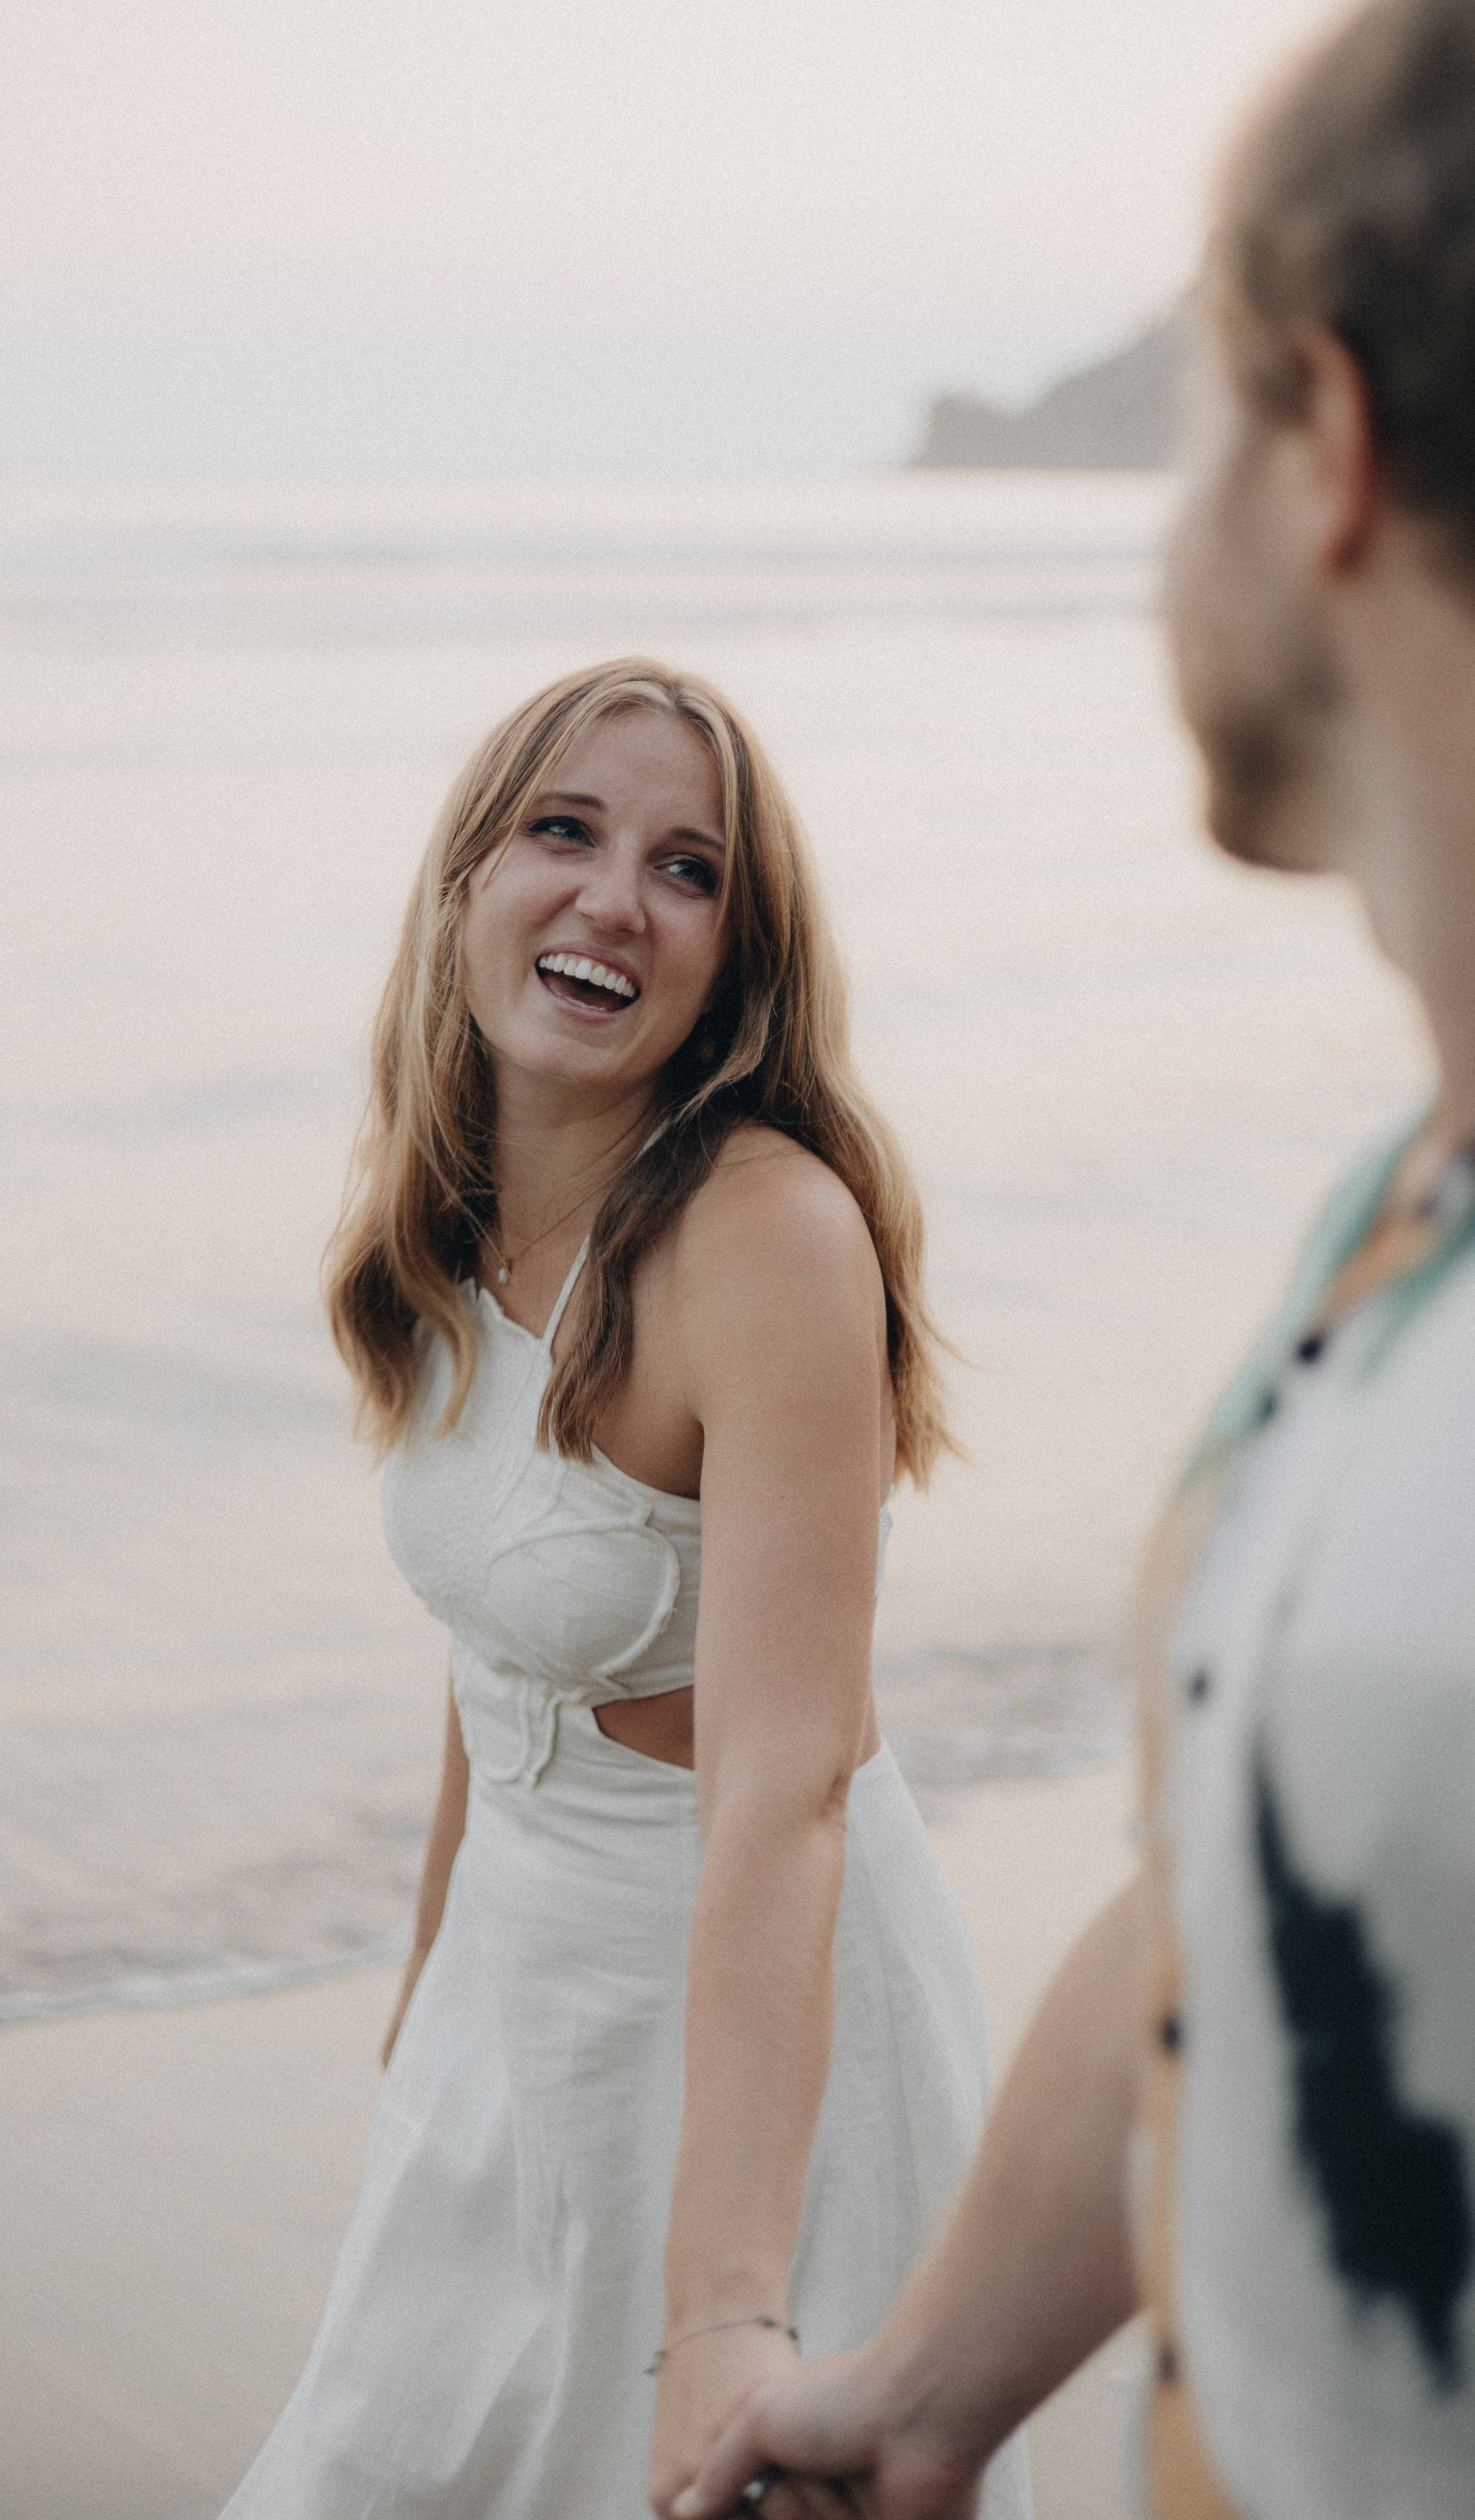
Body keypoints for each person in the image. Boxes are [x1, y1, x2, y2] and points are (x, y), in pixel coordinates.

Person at [676, 3, 1475, 2515]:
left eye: (1189, 429)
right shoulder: (1396, 1223)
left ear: (1322, 445)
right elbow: (1235, 1880)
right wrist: (919, 2399)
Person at [218, 660, 1031, 2520]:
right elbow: (496, 1634)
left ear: (736, 961)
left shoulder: (765, 1236)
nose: (611, 899)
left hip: (748, 2023)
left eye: (687, 870)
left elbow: (785, 1790)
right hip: (522, 1978)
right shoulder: (447, 1220)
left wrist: (729, 2298)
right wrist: (431, 1984)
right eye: (564, 831)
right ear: (467, 885)